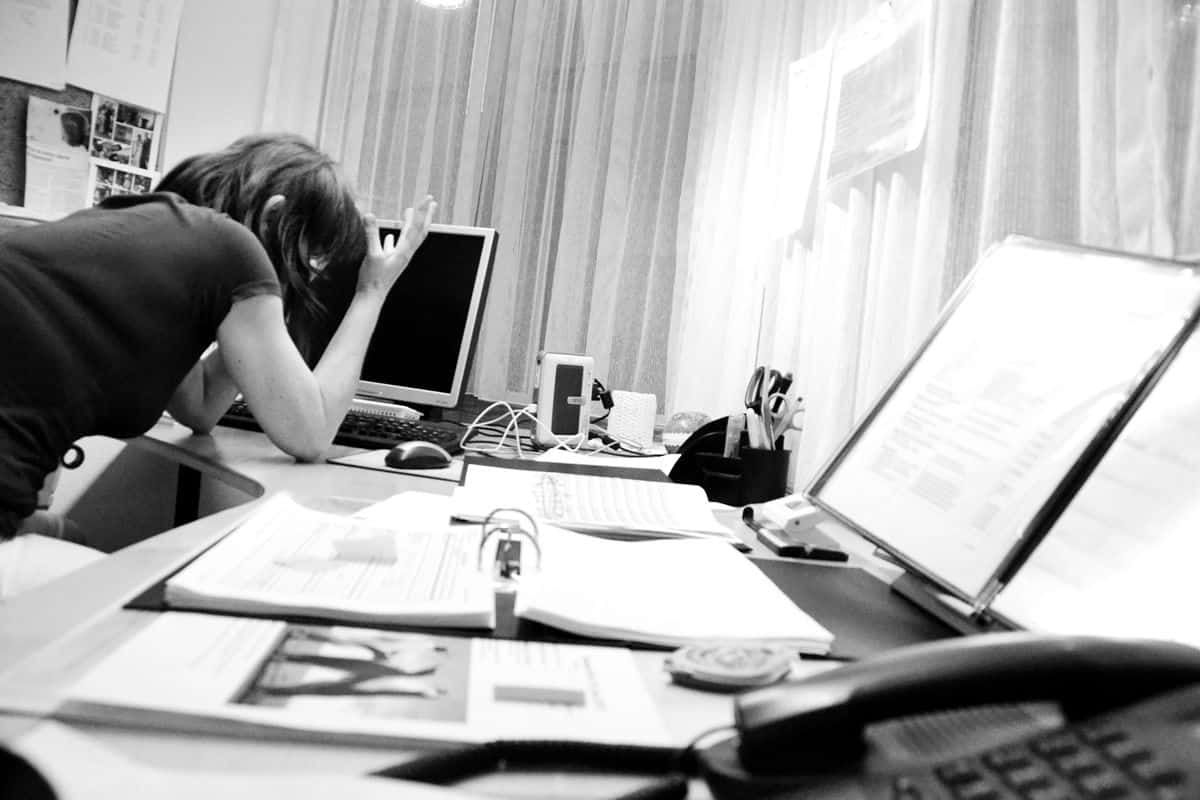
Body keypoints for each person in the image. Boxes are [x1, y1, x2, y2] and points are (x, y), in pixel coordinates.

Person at [0, 133, 436, 596]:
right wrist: (372, 291)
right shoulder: (230, 246)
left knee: (75, 540)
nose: (306, 277)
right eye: (308, 258)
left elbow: (200, 406)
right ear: (274, 216)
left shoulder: (138, 227)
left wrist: (262, 302)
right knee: (147, 609)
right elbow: (310, 433)